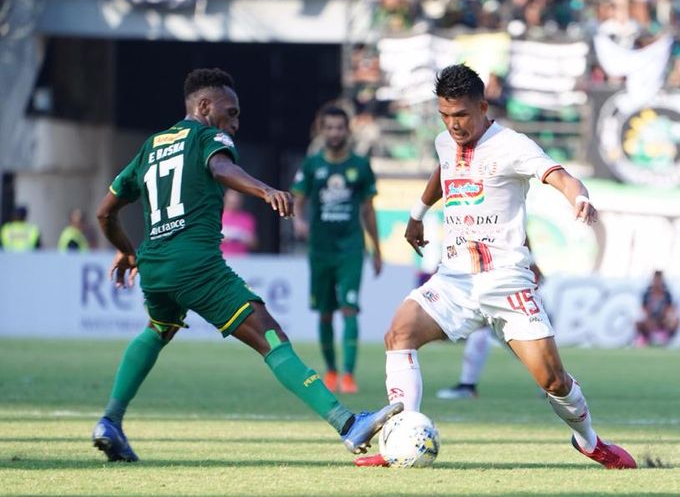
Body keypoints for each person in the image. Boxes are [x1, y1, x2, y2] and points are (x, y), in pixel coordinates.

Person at [91, 68, 402, 463]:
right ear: (204, 106)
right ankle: (347, 422)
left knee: (157, 330)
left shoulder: (150, 146)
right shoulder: (207, 136)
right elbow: (221, 169)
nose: (235, 123)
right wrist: (265, 189)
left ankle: (110, 420)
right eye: (231, 112)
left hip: (154, 264)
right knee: (270, 335)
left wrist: (126, 249)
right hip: (197, 264)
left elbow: (105, 213)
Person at [355, 64, 636, 469]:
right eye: (445, 117)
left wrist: (579, 198)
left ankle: (590, 441)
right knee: (399, 334)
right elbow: (443, 172)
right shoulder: (444, 142)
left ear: (483, 107)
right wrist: (417, 215)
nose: (454, 125)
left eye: (462, 116)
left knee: (553, 381)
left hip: (506, 280)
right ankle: (399, 438)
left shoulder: (513, 146)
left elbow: (557, 175)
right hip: (454, 279)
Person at [291, 106, 382, 395]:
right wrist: (299, 221)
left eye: (339, 128)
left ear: (347, 131)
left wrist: (376, 250)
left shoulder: (360, 166)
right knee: (326, 313)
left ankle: (349, 375)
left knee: (350, 308)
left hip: (350, 249)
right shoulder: (311, 165)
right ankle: (330, 370)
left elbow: (368, 210)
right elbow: (298, 199)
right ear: (322, 131)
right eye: (329, 128)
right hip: (321, 249)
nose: (334, 133)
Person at [437, 257, 543, 400]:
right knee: (480, 335)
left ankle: (552, 383)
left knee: (520, 346)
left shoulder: (509, 243)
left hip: (510, 299)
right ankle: (467, 386)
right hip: (488, 297)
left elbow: (535, 271)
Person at [635, 270, 680, 347]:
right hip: (650, 318)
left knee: (675, 321)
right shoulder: (647, 293)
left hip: (662, 319)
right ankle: (645, 338)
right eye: (656, 280)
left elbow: (670, 309)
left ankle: (665, 339)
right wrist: (650, 319)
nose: (657, 282)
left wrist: (666, 318)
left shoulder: (666, 294)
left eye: (659, 280)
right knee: (638, 322)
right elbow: (644, 309)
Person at [220, 189, 258, 255]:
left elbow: (254, 243)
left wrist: (244, 238)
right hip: (221, 256)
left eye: (236, 202)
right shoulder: (217, 217)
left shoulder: (247, 218)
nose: (234, 204)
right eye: (231, 202)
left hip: (241, 258)